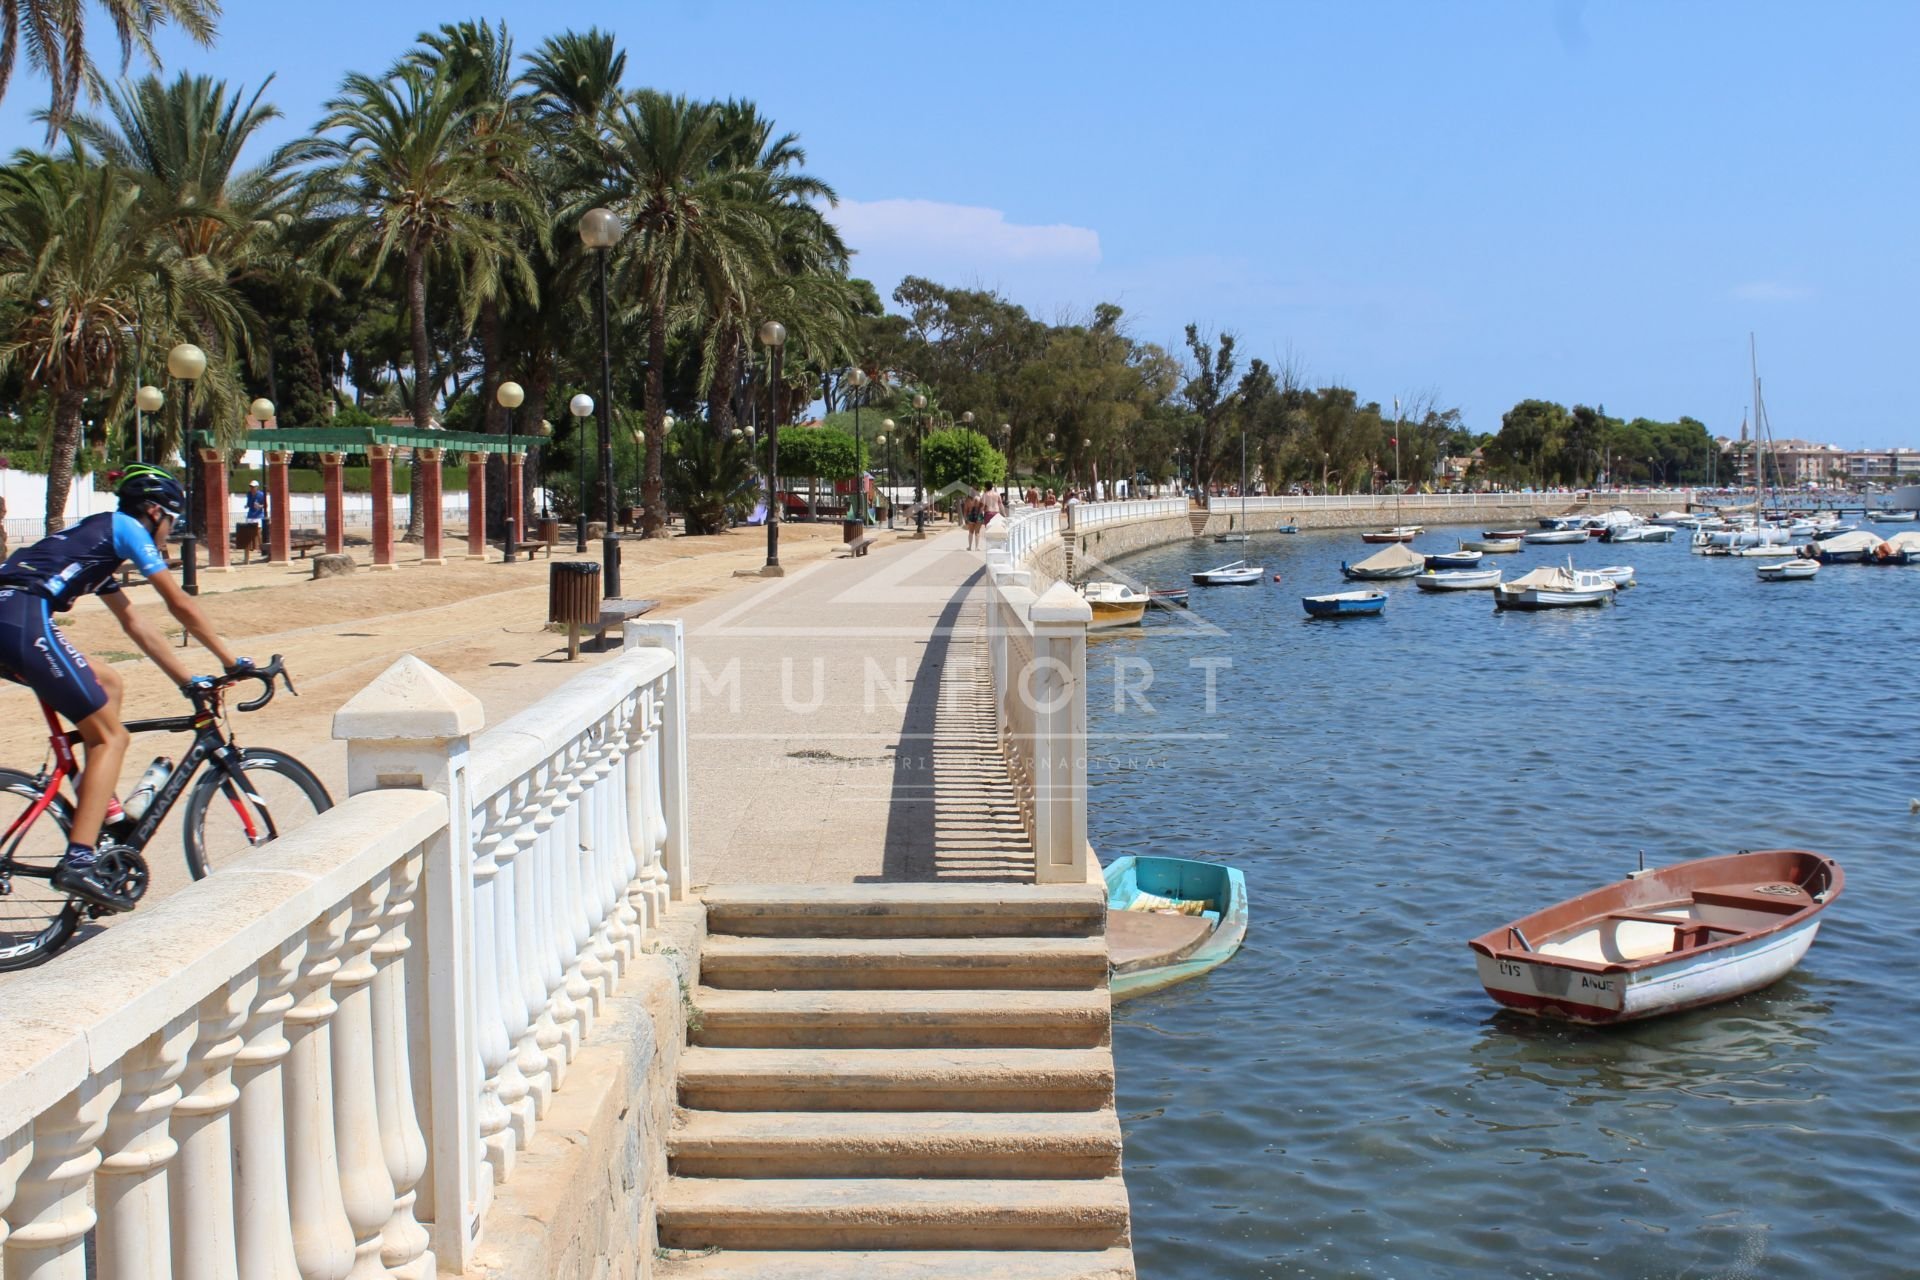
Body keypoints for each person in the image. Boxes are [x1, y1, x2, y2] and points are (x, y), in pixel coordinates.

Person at [0, 465, 249, 911]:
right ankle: (78, 862)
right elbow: (178, 603)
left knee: (109, 681)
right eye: (171, 521)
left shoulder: (99, 543)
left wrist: (186, 681)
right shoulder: (127, 529)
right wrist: (232, 662)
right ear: (154, 511)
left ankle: (107, 813)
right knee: (112, 737)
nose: (170, 533)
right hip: (20, 617)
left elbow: (134, 622)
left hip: (10, 620)